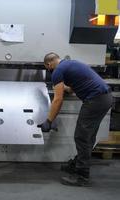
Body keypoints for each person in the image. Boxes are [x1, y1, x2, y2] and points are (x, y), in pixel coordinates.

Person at [38, 52, 112, 187]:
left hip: (95, 100)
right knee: (88, 136)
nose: (50, 71)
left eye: (48, 69)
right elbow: (72, 89)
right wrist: (63, 87)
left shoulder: (57, 71)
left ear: (49, 64)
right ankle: (77, 164)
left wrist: (48, 121)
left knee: (82, 137)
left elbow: (58, 99)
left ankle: (82, 175)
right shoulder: (71, 63)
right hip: (105, 98)